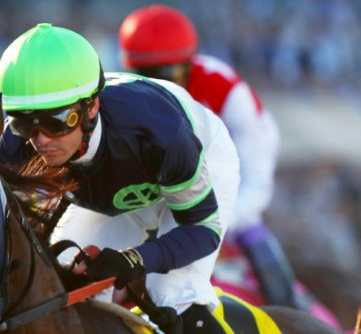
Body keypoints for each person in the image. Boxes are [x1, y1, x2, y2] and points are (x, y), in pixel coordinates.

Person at [0, 23, 274, 334]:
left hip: (194, 166)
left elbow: (200, 230)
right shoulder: (14, 147)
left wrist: (138, 259)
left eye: (57, 121)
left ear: (91, 108)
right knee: (66, 288)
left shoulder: (158, 132)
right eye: (25, 122)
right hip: (110, 193)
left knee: (173, 290)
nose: (40, 141)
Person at [118, 4, 302, 309]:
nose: (158, 88)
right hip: (176, 184)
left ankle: (293, 309)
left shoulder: (225, 90)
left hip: (235, 170)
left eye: (167, 75)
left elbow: (257, 186)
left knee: (249, 228)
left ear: (189, 65)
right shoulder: (124, 93)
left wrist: (210, 227)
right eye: (144, 76)